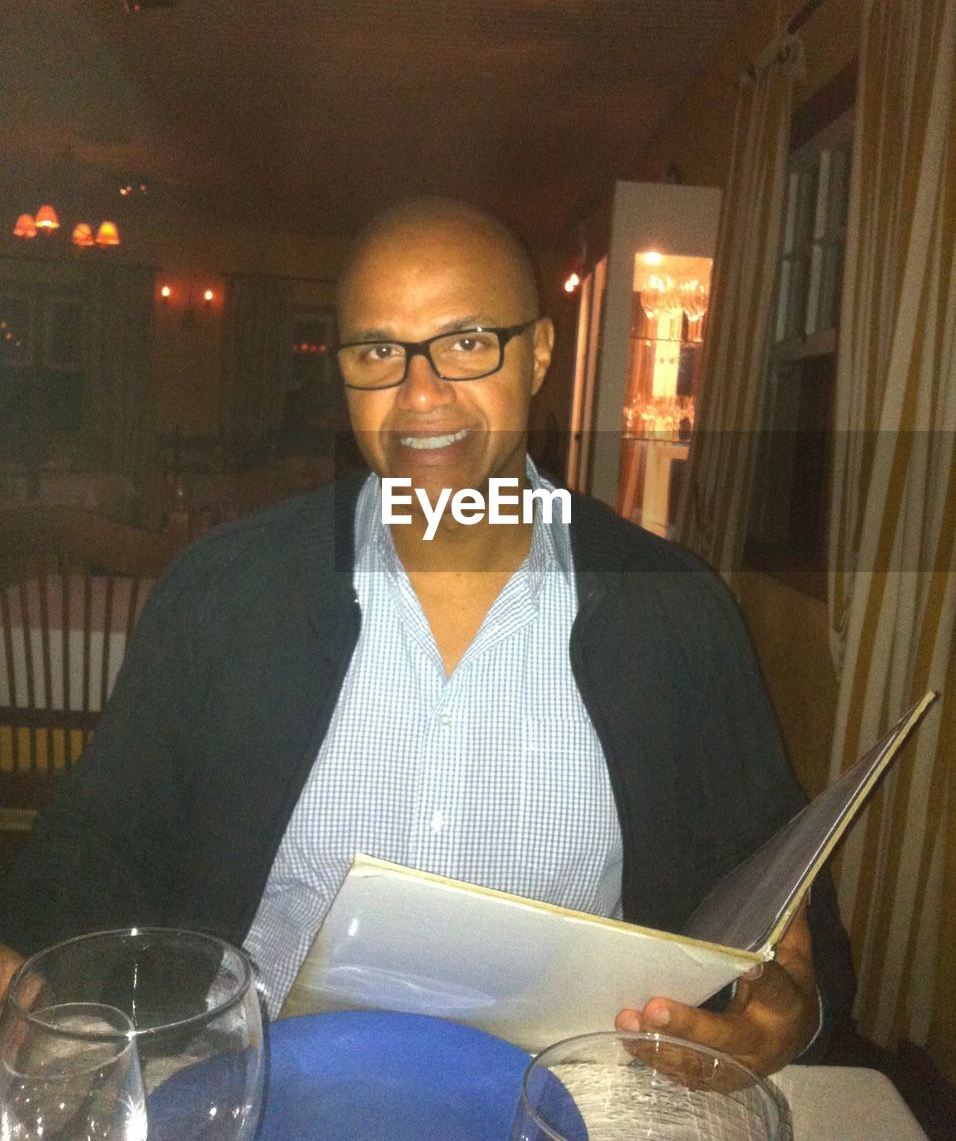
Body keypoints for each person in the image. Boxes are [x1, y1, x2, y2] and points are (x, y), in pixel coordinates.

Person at [0, 198, 853, 1073]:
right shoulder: (224, 592)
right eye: (379, 351)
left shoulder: (676, 614)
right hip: (263, 1091)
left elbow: (774, 885)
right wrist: (27, 952)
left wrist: (791, 1015)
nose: (420, 394)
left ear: (540, 354)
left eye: (468, 341)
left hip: (561, 1098)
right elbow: (100, 840)